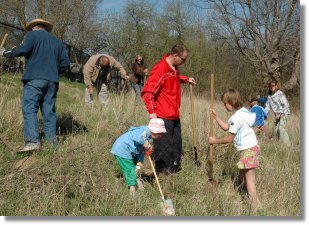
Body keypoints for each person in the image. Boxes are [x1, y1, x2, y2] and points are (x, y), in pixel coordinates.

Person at [0, 18, 70, 153]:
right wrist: (54, 71)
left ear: (33, 27)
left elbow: (23, 49)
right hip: (52, 81)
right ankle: (52, 144)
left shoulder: (32, 35)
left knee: (30, 108)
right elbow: (65, 63)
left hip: (34, 79)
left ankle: (33, 142)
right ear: (45, 28)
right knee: (49, 112)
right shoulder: (58, 42)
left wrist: (4, 52)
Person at [141, 44, 196, 174]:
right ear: (175, 55)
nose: (184, 62)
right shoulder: (160, 69)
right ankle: (163, 174)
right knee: (163, 148)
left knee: (176, 144)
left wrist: (186, 79)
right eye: (183, 59)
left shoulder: (174, 68)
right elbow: (148, 92)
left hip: (174, 114)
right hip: (162, 115)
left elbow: (173, 79)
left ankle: (173, 169)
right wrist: (152, 112)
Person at [208, 89, 261, 211]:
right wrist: (216, 117)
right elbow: (227, 127)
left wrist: (214, 140)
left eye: (224, 103)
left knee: (249, 179)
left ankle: (255, 206)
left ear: (231, 102)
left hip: (248, 150)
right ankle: (243, 194)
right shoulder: (243, 112)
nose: (223, 105)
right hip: (252, 148)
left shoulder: (236, 118)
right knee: (242, 177)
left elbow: (229, 138)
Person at [111, 118, 166, 196]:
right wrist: (145, 143)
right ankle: (132, 191)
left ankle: (138, 184)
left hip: (129, 151)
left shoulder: (148, 139)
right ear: (154, 131)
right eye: (160, 133)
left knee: (134, 170)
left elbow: (141, 156)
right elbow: (138, 137)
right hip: (122, 149)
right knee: (130, 170)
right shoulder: (144, 131)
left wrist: (138, 167)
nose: (161, 136)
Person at [264, 80, 291, 146]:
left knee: (280, 129)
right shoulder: (269, 96)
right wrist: (263, 114)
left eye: (273, 85)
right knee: (276, 131)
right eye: (270, 86)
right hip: (277, 115)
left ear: (276, 86)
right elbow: (267, 107)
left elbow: (286, 104)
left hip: (284, 113)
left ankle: (289, 145)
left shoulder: (280, 93)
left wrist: (280, 113)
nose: (271, 87)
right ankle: (278, 144)